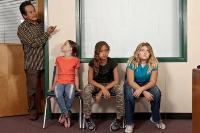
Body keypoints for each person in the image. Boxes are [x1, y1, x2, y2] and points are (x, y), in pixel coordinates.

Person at [17, 1, 56, 121]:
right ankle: (33, 112)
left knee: (47, 89)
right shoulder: (22, 28)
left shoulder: (42, 24)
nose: (34, 13)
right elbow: (34, 44)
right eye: (30, 12)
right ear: (24, 16)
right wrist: (47, 34)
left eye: (33, 10)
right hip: (32, 64)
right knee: (32, 91)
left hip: (45, 63)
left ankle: (49, 112)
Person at [124, 42, 166, 133]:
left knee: (157, 93)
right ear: (138, 52)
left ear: (150, 53)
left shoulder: (154, 62)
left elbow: (153, 82)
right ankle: (129, 123)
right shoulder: (131, 61)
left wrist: (142, 89)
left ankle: (156, 118)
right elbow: (130, 81)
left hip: (147, 84)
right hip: (132, 83)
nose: (145, 52)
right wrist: (144, 92)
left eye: (148, 51)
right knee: (129, 95)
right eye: (142, 50)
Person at [83, 41, 124, 131]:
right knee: (86, 90)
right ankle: (87, 118)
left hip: (110, 85)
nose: (104, 53)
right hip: (96, 84)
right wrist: (101, 88)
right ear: (97, 52)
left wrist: (103, 90)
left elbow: (116, 80)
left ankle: (119, 119)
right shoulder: (92, 62)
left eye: (106, 50)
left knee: (120, 89)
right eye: (101, 51)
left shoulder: (112, 62)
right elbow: (90, 80)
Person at [51, 40, 81, 128]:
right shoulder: (58, 59)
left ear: (71, 49)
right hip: (59, 82)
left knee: (70, 95)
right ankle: (67, 114)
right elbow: (56, 74)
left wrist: (77, 87)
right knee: (58, 94)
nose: (63, 45)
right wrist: (52, 87)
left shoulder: (76, 60)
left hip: (70, 83)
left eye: (65, 44)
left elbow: (76, 76)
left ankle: (63, 114)